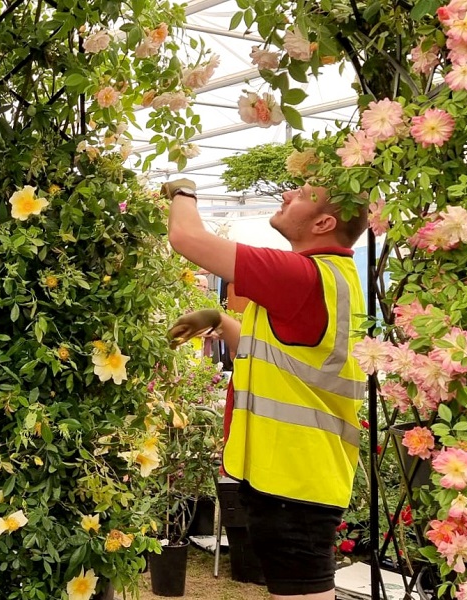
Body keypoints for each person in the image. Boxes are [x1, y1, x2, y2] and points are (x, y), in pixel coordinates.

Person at [164, 178, 368, 600]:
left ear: (324, 221)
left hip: (294, 481)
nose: (287, 195)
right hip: (298, 476)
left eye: (303, 194)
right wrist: (221, 324)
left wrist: (183, 189)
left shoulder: (300, 276)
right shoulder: (332, 278)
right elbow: (285, 355)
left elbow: (186, 236)